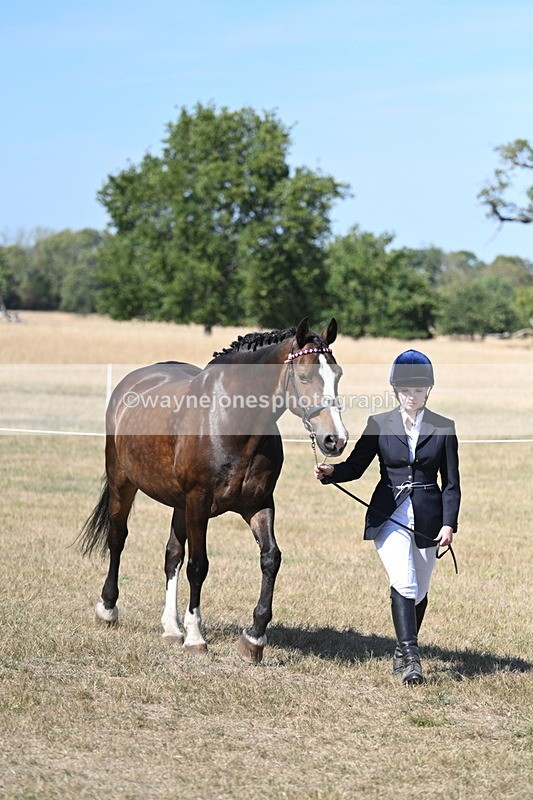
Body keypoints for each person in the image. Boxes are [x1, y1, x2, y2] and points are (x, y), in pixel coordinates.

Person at [314, 350, 460, 686]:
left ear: (428, 390)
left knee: (420, 591)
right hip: (389, 514)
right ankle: (411, 658)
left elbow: (451, 484)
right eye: (406, 390)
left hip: (429, 517)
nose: (412, 396)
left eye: (418, 390)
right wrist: (331, 472)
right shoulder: (379, 424)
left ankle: (400, 648)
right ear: (396, 391)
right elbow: (355, 466)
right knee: (404, 582)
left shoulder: (444, 427)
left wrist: (449, 524)